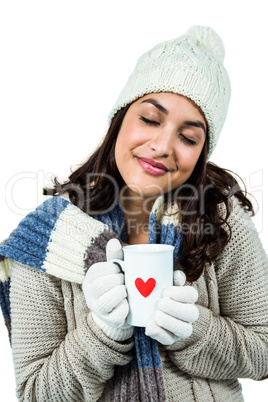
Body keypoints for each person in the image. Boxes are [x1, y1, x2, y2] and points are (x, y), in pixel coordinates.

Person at [0, 25, 267, 402]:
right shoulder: (44, 239)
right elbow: (36, 394)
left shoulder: (221, 219)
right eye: (150, 119)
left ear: (202, 153)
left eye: (189, 137)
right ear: (119, 120)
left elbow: (264, 349)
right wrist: (103, 332)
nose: (162, 146)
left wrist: (195, 332)